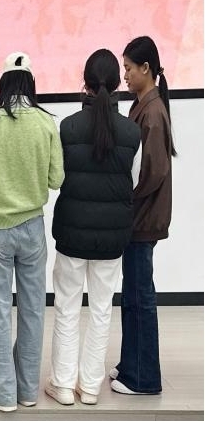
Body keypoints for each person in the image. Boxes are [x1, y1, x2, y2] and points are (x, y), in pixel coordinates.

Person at [0, 53, 64, 413]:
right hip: (33, 228)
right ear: (31, 84)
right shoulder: (46, 122)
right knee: (33, 310)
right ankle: (27, 390)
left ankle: (0, 393)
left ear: (3, 83)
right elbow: (57, 179)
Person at [46, 49, 140, 406]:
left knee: (67, 308)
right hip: (113, 237)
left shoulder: (68, 127)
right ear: (117, 84)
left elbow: (58, 178)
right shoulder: (132, 132)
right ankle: (90, 388)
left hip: (71, 233)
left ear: (84, 82)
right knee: (101, 311)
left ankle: (63, 385)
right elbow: (134, 182)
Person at [112, 36, 175, 396]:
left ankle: (144, 377)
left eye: (129, 68)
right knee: (134, 295)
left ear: (146, 68)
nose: (125, 75)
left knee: (139, 298)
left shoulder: (151, 112)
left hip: (142, 219)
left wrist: (124, 199)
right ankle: (130, 366)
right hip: (138, 219)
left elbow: (151, 173)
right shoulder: (144, 106)